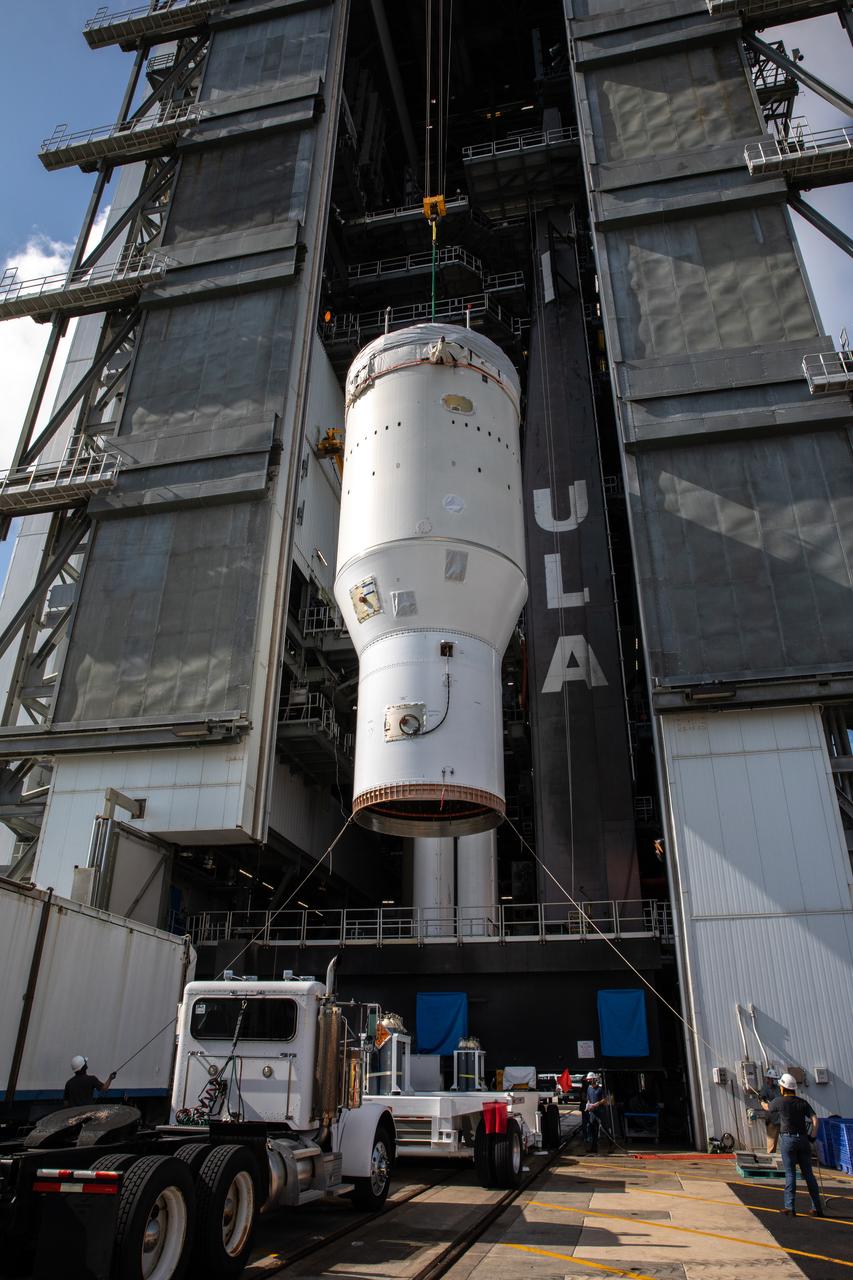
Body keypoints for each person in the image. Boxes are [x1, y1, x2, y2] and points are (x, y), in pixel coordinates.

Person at [765, 1073, 824, 1217]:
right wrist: (812, 1137)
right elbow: (815, 1120)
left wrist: (761, 1100)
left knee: (790, 1173)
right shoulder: (802, 1102)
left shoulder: (779, 1101)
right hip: (803, 1140)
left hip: (788, 1140)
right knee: (808, 1174)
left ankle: (790, 1207)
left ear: (783, 1088)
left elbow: (767, 1107)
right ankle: (816, 1208)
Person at [759, 1067, 782, 1153]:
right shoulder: (764, 1088)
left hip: (782, 1118)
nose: (772, 1081)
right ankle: (771, 1157)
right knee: (771, 1141)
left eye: (774, 1079)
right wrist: (763, 1102)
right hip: (772, 1119)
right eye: (770, 1079)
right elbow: (762, 1101)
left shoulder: (778, 1088)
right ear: (767, 1078)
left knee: (787, 1139)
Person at [585, 1072, 607, 1154]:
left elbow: (605, 1099)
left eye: (590, 1079)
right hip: (592, 1113)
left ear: (594, 1079)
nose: (588, 1081)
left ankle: (610, 1144)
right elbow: (588, 1099)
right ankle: (593, 1148)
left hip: (600, 1112)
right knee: (592, 1130)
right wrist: (588, 1106)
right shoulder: (589, 1089)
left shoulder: (600, 1089)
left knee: (604, 1129)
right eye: (588, 1080)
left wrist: (598, 1103)